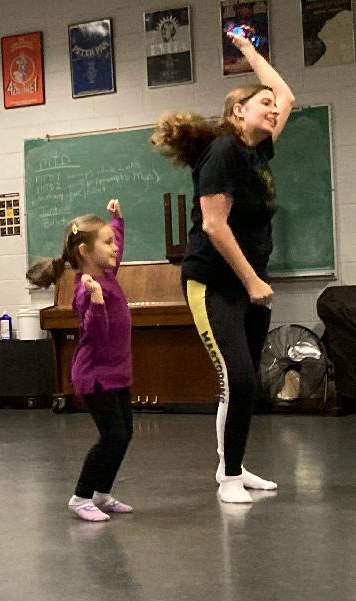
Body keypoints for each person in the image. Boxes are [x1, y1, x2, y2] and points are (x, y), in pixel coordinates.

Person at [151, 30, 294, 503]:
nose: (274, 109)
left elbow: (288, 94)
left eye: (273, 107)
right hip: (213, 283)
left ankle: (231, 466)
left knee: (244, 382)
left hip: (250, 285)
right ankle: (229, 477)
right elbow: (214, 226)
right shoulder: (223, 153)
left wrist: (251, 53)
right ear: (238, 112)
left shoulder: (257, 150)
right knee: (240, 378)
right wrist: (252, 279)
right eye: (263, 104)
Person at [26, 200, 134, 522]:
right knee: (112, 436)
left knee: (125, 433)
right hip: (95, 376)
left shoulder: (107, 270)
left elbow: (115, 241)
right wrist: (98, 302)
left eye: (113, 241)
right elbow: (96, 335)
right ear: (86, 252)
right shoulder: (86, 290)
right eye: (108, 243)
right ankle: (81, 496)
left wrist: (118, 219)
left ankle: (102, 492)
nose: (115, 248)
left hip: (118, 372)